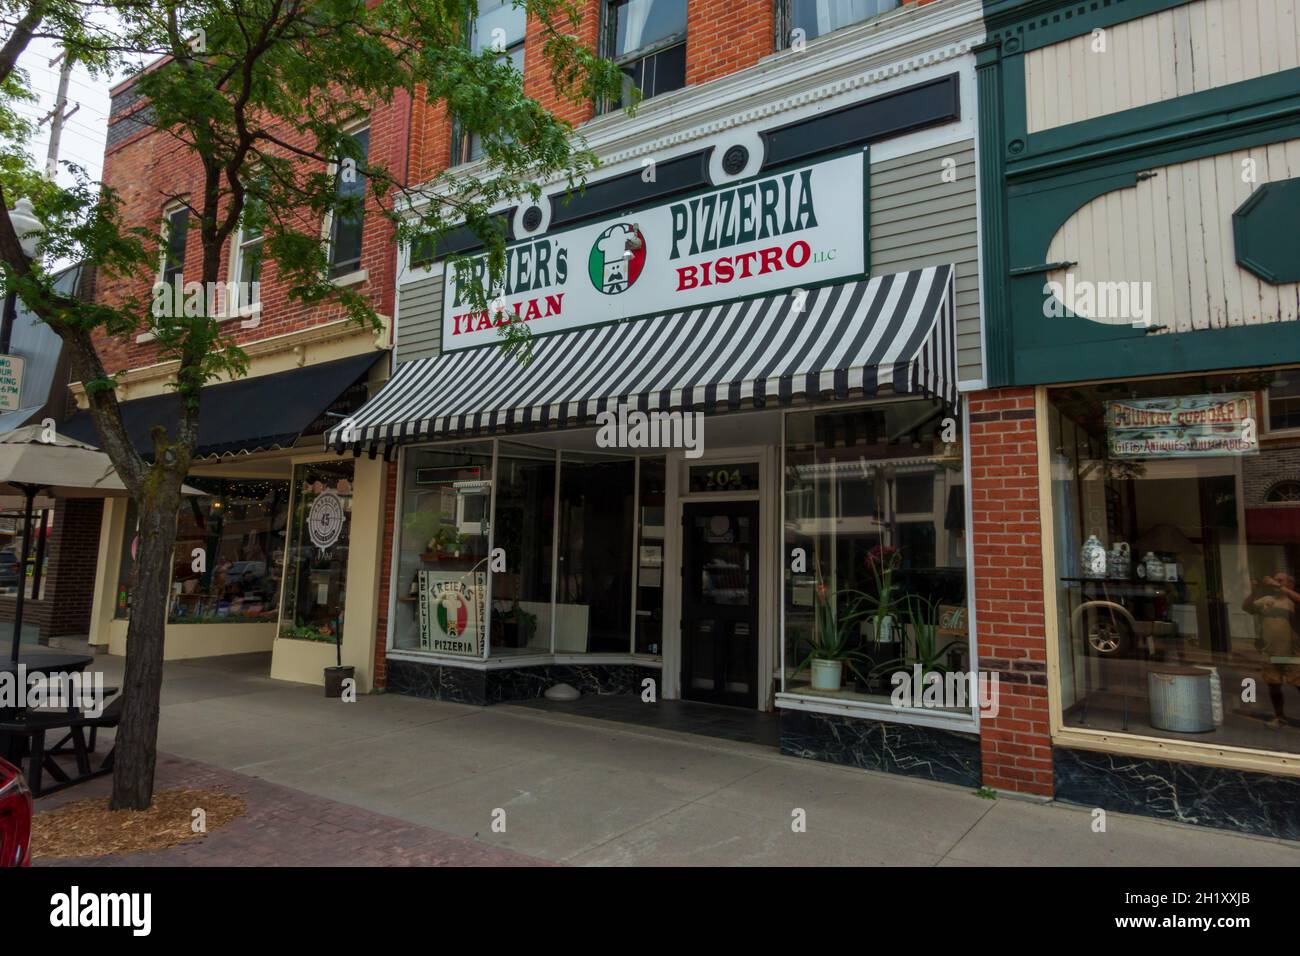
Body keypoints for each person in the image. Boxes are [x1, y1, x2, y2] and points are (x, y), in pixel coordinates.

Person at [1242, 570, 1300, 727]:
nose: (1276, 583)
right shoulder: (1267, 600)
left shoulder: (1291, 601)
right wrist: (1254, 591)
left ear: (1290, 584)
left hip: (1292, 653)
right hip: (1271, 652)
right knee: (1274, 685)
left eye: (1280, 580)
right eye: (1275, 580)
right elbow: (1247, 607)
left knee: (1298, 684)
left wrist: (1277, 586)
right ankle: (1280, 716)